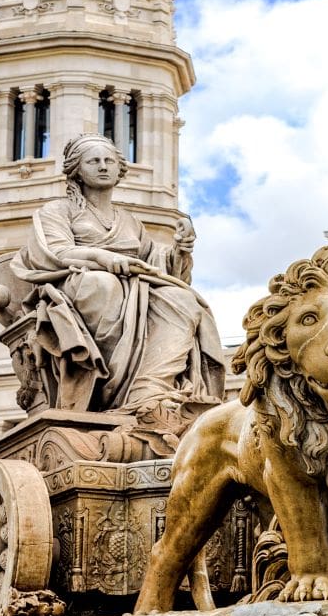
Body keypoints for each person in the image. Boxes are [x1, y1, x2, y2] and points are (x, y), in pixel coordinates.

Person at [11, 133, 225, 422]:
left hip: (135, 286)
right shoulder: (56, 211)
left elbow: (158, 265)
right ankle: (110, 389)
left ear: (119, 168)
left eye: (109, 160)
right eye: (94, 161)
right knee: (103, 285)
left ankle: (148, 387)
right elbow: (55, 252)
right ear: (77, 169)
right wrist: (104, 259)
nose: (103, 166)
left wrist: (180, 251)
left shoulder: (130, 221)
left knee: (182, 298)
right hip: (78, 284)